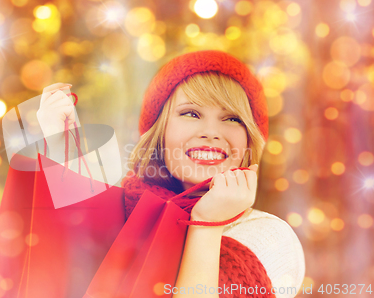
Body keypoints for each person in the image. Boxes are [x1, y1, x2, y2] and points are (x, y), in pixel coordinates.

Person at [37, 50, 305, 298]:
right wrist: (60, 146)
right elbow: (69, 262)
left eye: (232, 118)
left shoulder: (270, 238)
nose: (211, 132)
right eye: (191, 113)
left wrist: (206, 223)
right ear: (159, 133)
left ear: (249, 141)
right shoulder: (127, 214)